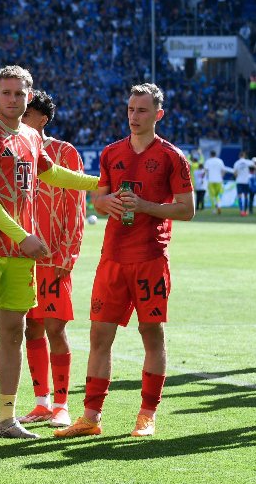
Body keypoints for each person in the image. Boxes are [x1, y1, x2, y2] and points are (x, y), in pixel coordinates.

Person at [0, 65, 100, 445]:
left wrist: (101, 183)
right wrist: (23, 236)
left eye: (20, 94)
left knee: (13, 334)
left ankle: (6, 418)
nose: (13, 99)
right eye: (6, 93)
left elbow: (53, 174)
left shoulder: (32, 137)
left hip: (20, 253)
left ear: (29, 96)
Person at [55, 83, 194, 438]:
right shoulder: (111, 153)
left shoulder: (172, 157)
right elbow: (98, 199)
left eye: (142, 110)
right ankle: (91, 417)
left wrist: (145, 206)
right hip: (113, 259)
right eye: (131, 109)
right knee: (99, 336)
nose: (134, 116)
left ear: (158, 114)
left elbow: (187, 209)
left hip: (150, 258)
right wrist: (106, 203)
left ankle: (147, 414)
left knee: (151, 334)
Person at [15, 90, 86, 429]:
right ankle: (41, 402)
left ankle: (61, 404)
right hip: (21, 258)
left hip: (54, 256)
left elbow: (77, 205)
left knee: (55, 328)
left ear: (41, 119)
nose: (19, 116)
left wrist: (69, 253)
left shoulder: (65, 152)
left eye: (25, 112)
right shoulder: (15, 151)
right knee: (31, 329)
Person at [204, 150, 227, 214]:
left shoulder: (208, 161)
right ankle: (219, 206)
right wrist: (221, 177)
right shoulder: (220, 161)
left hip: (211, 180)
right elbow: (223, 170)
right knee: (217, 195)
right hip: (219, 180)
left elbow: (205, 170)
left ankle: (214, 210)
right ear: (215, 154)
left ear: (210, 155)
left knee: (212, 196)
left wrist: (206, 177)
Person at [232, 151, 254, 216]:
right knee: (246, 196)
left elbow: (234, 173)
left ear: (239, 156)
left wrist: (237, 176)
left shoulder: (236, 163)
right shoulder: (248, 162)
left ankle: (241, 211)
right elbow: (254, 166)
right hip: (246, 181)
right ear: (244, 156)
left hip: (239, 181)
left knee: (239, 196)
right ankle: (245, 210)